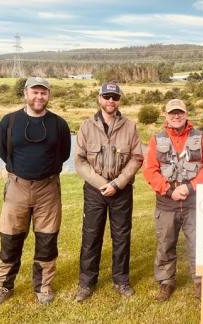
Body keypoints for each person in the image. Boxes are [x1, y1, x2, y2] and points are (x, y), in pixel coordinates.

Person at [0, 77, 71, 307]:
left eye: (43, 93)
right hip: (17, 187)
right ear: (26, 93)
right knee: (10, 239)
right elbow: (4, 152)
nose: (39, 97)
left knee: (47, 240)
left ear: (49, 95)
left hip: (48, 189)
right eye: (35, 92)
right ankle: (3, 286)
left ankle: (43, 287)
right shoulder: (9, 121)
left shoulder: (59, 124)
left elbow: (64, 154)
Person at [74, 81, 143, 302]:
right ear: (99, 99)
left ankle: (121, 280)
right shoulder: (86, 126)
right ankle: (86, 283)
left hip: (121, 190)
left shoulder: (130, 126)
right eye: (107, 97)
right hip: (95, 190)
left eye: (114, 97)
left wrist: (117, 184)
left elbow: (137, 158)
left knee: (121, 236)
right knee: (91, 236)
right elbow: (80, 161)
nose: (110, 101)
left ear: (119, 100)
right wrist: (102, 183)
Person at [143, 99, 203, 301]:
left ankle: (201, 281)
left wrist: (191, 186)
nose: (176, 116)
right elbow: (149, 170)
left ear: (186, 114)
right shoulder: (156, 140)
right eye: (172, 113)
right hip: (167, 203)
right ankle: (166, 282)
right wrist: (169, 190)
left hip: (194, 202)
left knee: (198, 243)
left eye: (180, 113)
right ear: (166, 116)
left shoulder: (200, 137)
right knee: (165, 244)